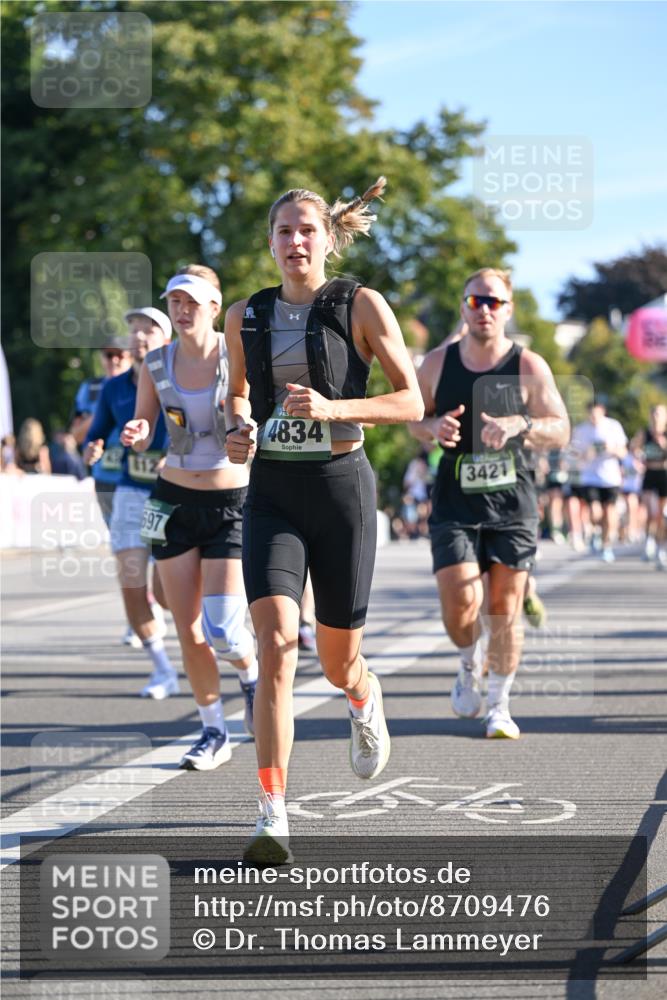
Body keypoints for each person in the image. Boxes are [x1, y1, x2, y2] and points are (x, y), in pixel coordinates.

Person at [224, 177, 423, 862]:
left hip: (342, 490)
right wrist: (239, 430)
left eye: (307, 229)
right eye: (284, 231)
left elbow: (410, 401)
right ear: (270, 243)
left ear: (328, 238)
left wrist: (334, 409)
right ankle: (271, 812)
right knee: (277, 642)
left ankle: (362, 695)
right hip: (273, 492)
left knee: (337, 662)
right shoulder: (244, 315)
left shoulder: (360, 304)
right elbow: (238, 397)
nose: (295, 241)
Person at [409, 268, 569, 740]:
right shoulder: (437, 363)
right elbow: (412, 417)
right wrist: (432, 427)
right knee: (460, 605)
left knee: (504, 607)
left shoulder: (528, 366)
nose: (484, 309)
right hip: (454, 499)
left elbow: (560, 427)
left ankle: (498, 705)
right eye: (475, 300)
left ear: (508, 309)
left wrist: (522, 424)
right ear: (463, 307)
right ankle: (467, 661)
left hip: (512, 501)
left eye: (494, 302)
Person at [121, 265, 258, 769]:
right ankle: (213, 731)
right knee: (189, 630)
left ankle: (250, 672)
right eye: (174, 302)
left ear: (214, 308)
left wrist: (247, 426)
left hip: (230, 503)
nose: (181, 311)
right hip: (172, 500)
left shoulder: (236, 353)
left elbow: (249, 409)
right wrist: (138, 431)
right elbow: (145, 423)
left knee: (223, 630)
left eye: (192, 303)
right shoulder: (155, 361)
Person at [85, 307, 176, 697]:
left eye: (148, 330)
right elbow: (96, 432)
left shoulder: (182, 380)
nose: (138, 337)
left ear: (166, 340)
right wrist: (92, 448)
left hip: (173, 495)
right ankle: (163, 670)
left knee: (168, 596)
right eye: (134, 330)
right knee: (132, 585)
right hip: (131, 491)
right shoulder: (114, 388)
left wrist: (176, 458)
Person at [570, 401, 627, 563]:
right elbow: (573, 454)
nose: (593, 418)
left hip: (610, 478)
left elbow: (623, 452)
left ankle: (606, 545)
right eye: (591, 414)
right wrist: (585, 454)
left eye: (596, 414)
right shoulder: (581, 430)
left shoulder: (613, 426)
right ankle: (595, 531)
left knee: (609, 513)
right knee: (595, 512)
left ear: (603, 412)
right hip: (590, 477)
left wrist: (612, 449)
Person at [638, 403, 667, 568]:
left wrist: (663, 444)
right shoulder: (645, 433)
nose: (656, 417)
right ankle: (649, 541)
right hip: (649, 473)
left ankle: (661, 547)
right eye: (654, 413)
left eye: (660, 414)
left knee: (662, 515)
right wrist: (638, 458)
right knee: (651, 511)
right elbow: (633, 448)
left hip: (664, 474)